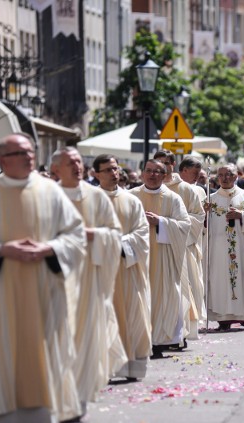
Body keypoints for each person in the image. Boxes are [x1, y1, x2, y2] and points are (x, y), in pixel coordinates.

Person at [0, 133, 86, 422]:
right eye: (20, 153)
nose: (29, 157)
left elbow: (75, 235)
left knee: (46, 352)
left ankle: (50, 412)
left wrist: (50, 248)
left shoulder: (51, 191)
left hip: (44, 290)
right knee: (1, 352)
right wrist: (1, 250)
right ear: (2, 159)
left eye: (30, 152)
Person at [51, 147, 127, 406]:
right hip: (56, 277)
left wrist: (95, 235)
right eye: (70, 162)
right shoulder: (49, 196)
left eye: (78, 161)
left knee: (85, 332)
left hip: (87, 276)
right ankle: (58, 390)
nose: (77, 166)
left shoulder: (96, 197)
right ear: (56, 169)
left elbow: (115, 235)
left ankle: (81, 393)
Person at [93, 154, 152, 380]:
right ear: (96, 174)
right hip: (100, 271)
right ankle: (105, 369)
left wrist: (119, 244)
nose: (114, 173)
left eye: (115, 169)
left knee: (133, 316)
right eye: (107, 170)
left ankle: (132, 367)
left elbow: (142, 233)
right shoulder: (91, 200)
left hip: (128, 270)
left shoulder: (131, 200)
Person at [130, 159, 190, 359]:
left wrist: (161, 222)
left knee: (162, 297)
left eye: (157, 172)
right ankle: (137, 340)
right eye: (149, 170)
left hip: (163, 257)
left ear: (164, 176)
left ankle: (158, 341)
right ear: (142, 173)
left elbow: (185, 225)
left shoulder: (173, 199)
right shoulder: (131, 197)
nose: (152, 175)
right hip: (136, 257)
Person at [204, 164, 244, 330]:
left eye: (229, 174)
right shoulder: (210, 200)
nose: (225, 178)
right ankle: (223, 319)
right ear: (217, 178)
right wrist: (203, 215)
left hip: (242, 248)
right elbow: (202, 226)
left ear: (236, 176)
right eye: (221, 175)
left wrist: (242, 215)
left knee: (243, 278)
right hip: (217, 250)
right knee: (220, 281)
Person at [154, 151, 204, 345]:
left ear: (173, 164)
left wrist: (169, 225)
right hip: (156, 248)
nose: (162, 167)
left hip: (183, 248)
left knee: (182, 291)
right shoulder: (145, 190)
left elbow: (198, 218)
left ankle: (180, 332)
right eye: (158, 163)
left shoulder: (187, 190)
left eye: (166, 163)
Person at [178, 156, 208, 336]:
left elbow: (199, 218)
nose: (197, 176)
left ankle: (194, 321)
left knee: (195, 282)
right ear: (183, 170)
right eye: (194, 172)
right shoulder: (171, 189)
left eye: (199, 172)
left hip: (192, 243)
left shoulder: (200, 191)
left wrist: (205, 215)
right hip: (175, 240)